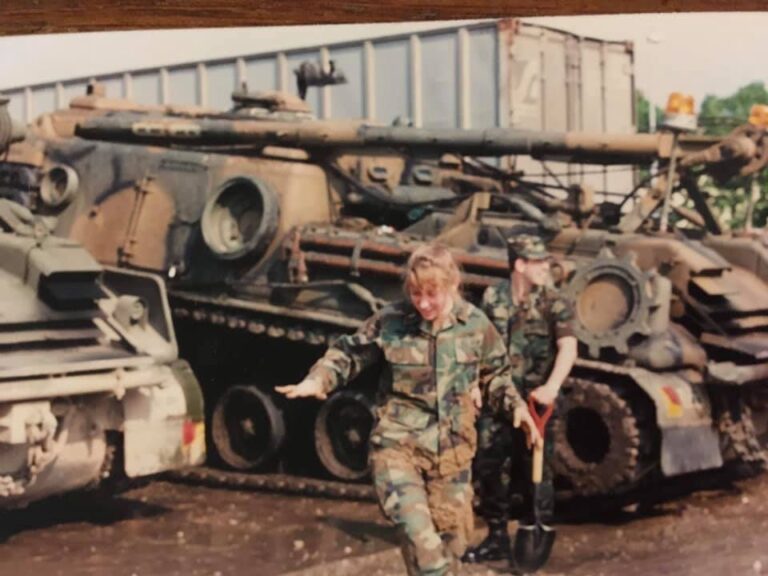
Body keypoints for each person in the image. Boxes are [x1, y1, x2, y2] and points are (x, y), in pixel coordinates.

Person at [276, 243, 541, 576]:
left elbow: (496, 376)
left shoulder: (475, 326)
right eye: (416, 294)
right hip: (398, 448)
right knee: (424, 546)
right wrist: (319, 380)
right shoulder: (393, 321)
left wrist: (516, 407)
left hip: (452, 455)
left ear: (452, 286)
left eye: (433, 294)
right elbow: (349, 353)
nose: (424, 304)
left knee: (449, 548)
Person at [463, 235, 578, 564]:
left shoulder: (554, 301)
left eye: (545, 261)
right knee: (490, 468)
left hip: (536, 404)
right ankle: (497, 537)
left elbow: (568, 348)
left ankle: (533, 537)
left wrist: (552, 387)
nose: (545, 267)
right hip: (498, 399)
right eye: (538, 262)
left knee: (536, 474)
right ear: (519, 265)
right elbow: (478, 345)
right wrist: (473, 384)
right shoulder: (493, 297)